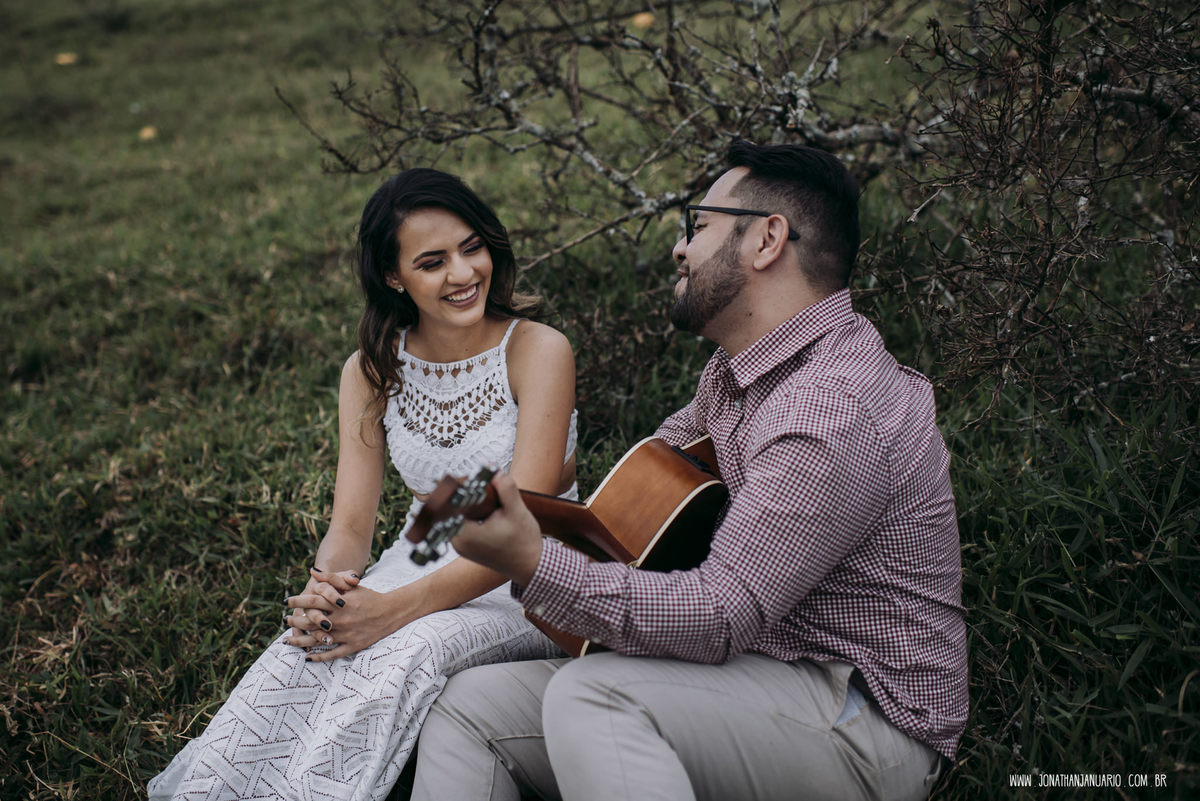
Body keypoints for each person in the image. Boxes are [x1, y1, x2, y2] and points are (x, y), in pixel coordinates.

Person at [409, 141, 968, 801]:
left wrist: (534, 562)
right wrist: (508, 502)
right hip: (754, 674)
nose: (680, 249)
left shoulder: (829, 410)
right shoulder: (736, 374)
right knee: (472, 706)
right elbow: (632, 503)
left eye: (698, 227)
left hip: (863, 718)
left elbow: (719, 614)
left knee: (595, 697)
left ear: (766, 240)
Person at [148, 168, 578, 800]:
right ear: (393, 277)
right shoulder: (372, 369)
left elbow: (524, 526)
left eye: (472, 248)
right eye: (432, 262)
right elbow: (351, 524)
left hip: (526, 582)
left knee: (396, 652)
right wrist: (328, 589)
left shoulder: (537, 349)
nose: (462, 274)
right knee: (298, 656)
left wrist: (391, 612)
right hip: (419, 554)